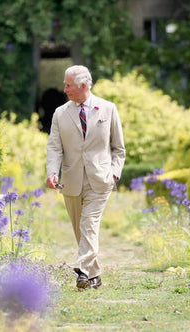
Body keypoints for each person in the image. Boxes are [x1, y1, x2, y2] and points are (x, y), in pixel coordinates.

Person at [46, 65, 126, 290]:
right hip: (71, 180)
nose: (65, 89)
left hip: (100, 180)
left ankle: (81, 269)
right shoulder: (60, 113)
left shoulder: (108, 109)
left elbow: (118, 148)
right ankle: (94, 276)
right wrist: (52, 172)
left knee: (89, 224)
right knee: (80, 230)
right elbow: (54, 147)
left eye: (68, 85)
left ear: (83, 86)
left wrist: (114, 172)